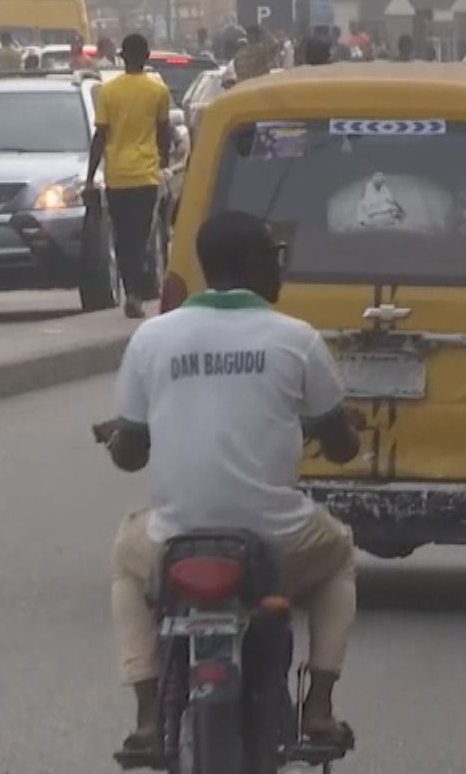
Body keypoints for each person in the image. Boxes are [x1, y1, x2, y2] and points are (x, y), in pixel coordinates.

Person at [99, 211, 363, 766]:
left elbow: (130, 455)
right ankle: (317, 705)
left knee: (127, 561)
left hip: (176, 538)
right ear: (255, 264)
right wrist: (338, 429)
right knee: (339, 556)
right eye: (274, 257)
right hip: (277, 539)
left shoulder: (152, 338)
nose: (279, 268)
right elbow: (341, 447)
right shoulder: (296, 339)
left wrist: (125, 436)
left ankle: (147, 714)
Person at [85, 33, 174, 319]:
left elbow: (100, 136)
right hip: (146, 176)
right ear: (147, 57)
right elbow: (164, 132)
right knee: (141, 235)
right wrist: (164, 161)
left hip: (117, 176)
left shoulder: (108, 92)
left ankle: (132, 290)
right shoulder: (157, 91)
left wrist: (90, 177)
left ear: (122, 57)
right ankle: (136, 292)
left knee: (123, 238)